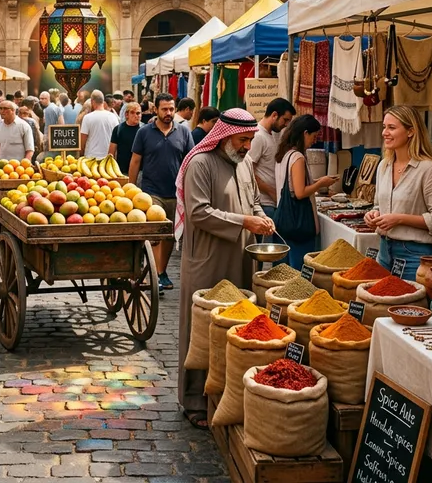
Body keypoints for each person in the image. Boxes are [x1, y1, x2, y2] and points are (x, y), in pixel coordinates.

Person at [175, 108, 275, 429]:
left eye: (250, 140)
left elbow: (254, 200)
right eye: (243, 139)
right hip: (208, 260)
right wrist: (245, 221)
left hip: (241, 256)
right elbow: (199, 212)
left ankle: (226, 396)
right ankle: (194, 401)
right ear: (226, 136)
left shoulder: (244, 163)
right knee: (203, 330)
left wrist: (261, 217)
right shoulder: (200, 164)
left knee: (235, 327)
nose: (247, 146)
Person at [364, 105, 432, 280]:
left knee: (409, 306)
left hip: (416, 255)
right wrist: (374, 214)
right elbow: (378, 204)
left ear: (411, 131)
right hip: (384, 251)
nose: (384, 133)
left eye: (392, 127)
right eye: (384, 127)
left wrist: (399, 218)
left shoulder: (429, 169)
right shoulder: (383, 166)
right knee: (381, 305)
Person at [129, 93, 194, 291]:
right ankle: (153, 273)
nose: (168, 113)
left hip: (175, 193)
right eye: (164, 109)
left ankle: (161, 271)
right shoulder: (144, 132)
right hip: (151, 191)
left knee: (169, 236)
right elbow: (135, 161)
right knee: (156, 233)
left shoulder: (183, 132)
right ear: (155, 109)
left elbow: (190, 161)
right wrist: (130, 189)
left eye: (171, 109)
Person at [274, 114, 337, 270]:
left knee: (286, 268)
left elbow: (291, 184)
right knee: (299, 268)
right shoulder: (298, 157)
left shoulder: (284, 154)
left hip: (284, 219)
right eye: (314, 136)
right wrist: (321, 183)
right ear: (305, 133)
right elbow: (300, 192)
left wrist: (315, 182)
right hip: (298, 223)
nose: (314, 140)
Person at [248, 98, 296, 221]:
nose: (285, 124)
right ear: (274, 115)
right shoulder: (258, 136)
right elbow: (249, 172)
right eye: (285, 120)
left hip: (275, 202)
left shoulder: (276, 133)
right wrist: (271, 192)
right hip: (264, 204)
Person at [81, 91, 120, 157]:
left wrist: (82, 154)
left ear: (92, 101)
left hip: (91, 157)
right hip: (108, 158)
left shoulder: (87, 118)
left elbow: (82, 140)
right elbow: (117, 138)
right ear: (103, 102)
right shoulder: (113, 117)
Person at [108, 101, 142, 175]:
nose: (136, 116)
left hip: (140, 171)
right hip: (122, 171)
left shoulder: (144, 130)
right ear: (127, 114)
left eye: (138, 113)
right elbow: (111, 153)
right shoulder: (118, 129)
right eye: (132, 113)